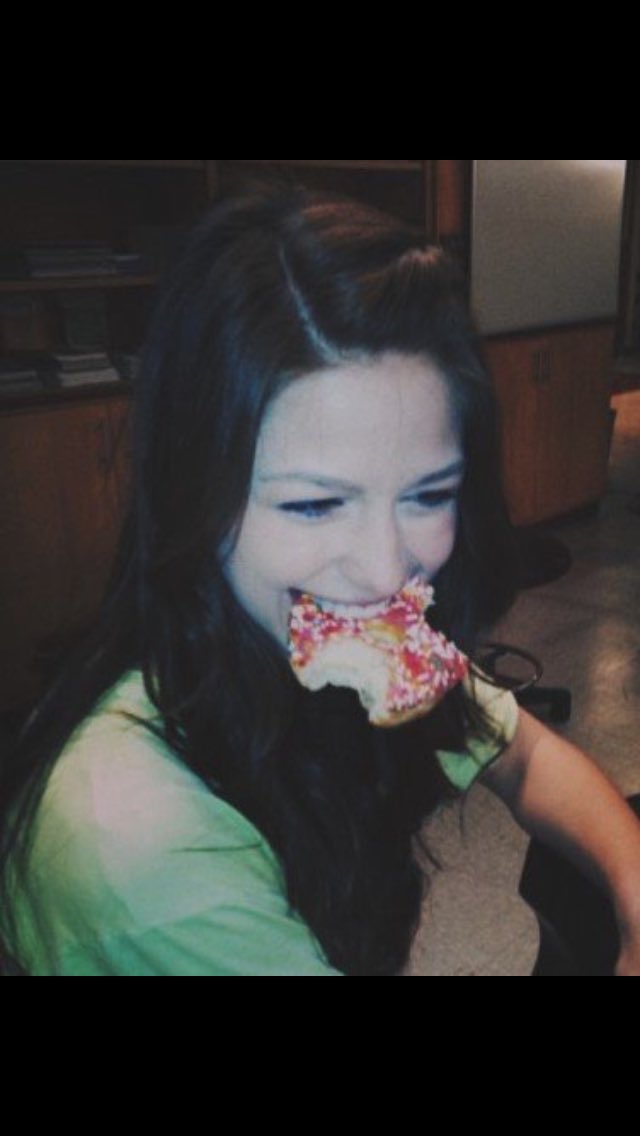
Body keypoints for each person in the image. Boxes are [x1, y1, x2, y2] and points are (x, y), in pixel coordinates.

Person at [1, 184, 640, 976]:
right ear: (194, 493)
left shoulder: (347, 645)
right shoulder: (143, 846)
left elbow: (526, 754)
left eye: (429, 494)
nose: (385, 571)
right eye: (313, 504)